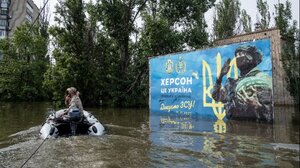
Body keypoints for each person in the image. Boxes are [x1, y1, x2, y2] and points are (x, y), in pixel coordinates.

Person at [212, 45, 273, 122]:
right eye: (236, 55)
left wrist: (257, 106)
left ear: (251, 57)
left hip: (254, 130)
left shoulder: (263, 79)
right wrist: (220, 77)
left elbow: (271, 115)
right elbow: (216, 96)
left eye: (241, 54)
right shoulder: (232, 83)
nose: (238, 57)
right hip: (232, 129)